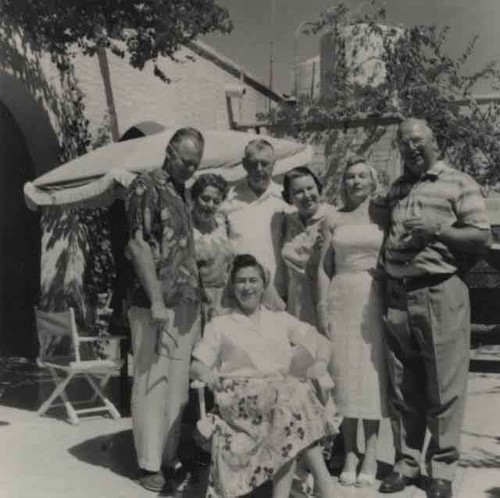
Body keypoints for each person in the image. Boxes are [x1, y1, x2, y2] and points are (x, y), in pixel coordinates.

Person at [379, 118, 490, 498]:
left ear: (434, 142)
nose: (410, 149)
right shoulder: (397, 188)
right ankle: (407, 463)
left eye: (417, 141)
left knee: (445, 386)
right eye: (402, 144)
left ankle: (441, 469)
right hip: (398, 293)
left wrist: (437, 231)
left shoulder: (460, 183)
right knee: (402, 386)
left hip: (440, 291)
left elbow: (481, 237)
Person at [190, 254, 338, 498]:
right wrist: (207, 373)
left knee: (289, 401)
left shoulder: (278, 319)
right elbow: (196, 366)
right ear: (232, 286)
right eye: (241, 281)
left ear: (263, 284)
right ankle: (325, 484)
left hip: (281, 398)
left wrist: (320, 364)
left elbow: (319, 341)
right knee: (294, 396)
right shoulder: (221, 324)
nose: (247, 287)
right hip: (240, 398)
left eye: (253, 280)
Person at [125, 127, 204, 492]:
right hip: (154, 305)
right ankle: (149, 464)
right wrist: (156, 300)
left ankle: (168, 457)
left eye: (195, 165)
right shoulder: (146, 186)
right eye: (186, 162)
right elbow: (138, 246)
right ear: (169, 151)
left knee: (176, 387)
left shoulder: (181, 191)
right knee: (151, 382)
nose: (190, 169)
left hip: (185, 302)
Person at [317, 156, 389, 488]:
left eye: (362, 176)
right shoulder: (333, 219)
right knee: (344, 373)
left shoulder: (383, 216)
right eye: (349, 177)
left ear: (373, 182)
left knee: (372, 373)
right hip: (341, 295)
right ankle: (349, 452)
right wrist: (322, 307)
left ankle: (372, 452)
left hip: (374, 296)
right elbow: (323, 267)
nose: (355, 182)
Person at [221, 138, 291, 303]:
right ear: (244, 164)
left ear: (274, 164)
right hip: (239, 294)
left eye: (264, 163)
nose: (259, 169)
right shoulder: (229, 201)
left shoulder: (286, 199)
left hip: (278, 294)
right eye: (253, 164)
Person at [278, 166, 334, 327]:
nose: (306, 195)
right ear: (289, 197)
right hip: (297, 303)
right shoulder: (288, 222)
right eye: (298, 192)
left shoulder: (333, 217)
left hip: (325, 300)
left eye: (310, 188)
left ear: (318, 188)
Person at [190, 173, 233, 322]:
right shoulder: (186, 229)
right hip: (195, 300)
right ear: (194, 198)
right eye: (205, 198)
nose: (210, 205)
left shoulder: (222, 225)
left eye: (216, 201)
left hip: (224, 299)